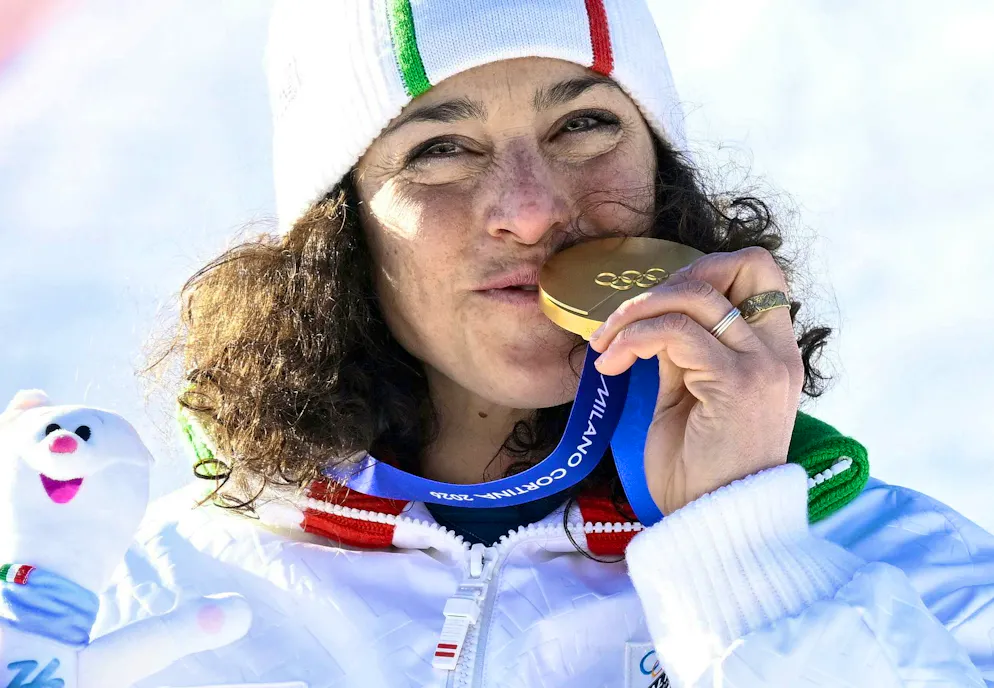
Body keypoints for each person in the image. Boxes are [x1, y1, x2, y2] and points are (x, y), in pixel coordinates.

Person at [96, 1, 994, 686]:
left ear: (662, 172)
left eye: (583, 125)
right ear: (339, 231)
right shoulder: (153, 600)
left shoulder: (914, 576)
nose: (529, 209)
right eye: (440, 147)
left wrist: (746, 556)